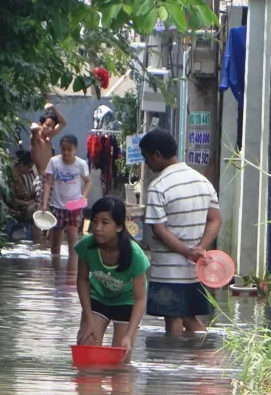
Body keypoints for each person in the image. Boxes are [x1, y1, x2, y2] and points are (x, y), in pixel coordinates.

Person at [139, 129, 222, 334]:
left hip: (168, 271)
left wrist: (188, 252)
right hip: (196, 270)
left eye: (146, 157)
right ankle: (208, 350)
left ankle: (174, 354)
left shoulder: (158, 186)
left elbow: (159, 230)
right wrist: (199, 249)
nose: (146, 163)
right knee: (189, 317)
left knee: (173, 319)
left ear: (157, 155)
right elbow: (215, 219)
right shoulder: (202, 181)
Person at [74, 197, 149, 360]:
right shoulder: (87, 245)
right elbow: (82, 280)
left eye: (105, 222)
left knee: (121, 357)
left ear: (119, 227)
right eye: (95, 221)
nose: (98, 228)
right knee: (87, 348)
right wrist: (88, 320)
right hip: (98, 297)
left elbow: (140, 298)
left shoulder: (135, 254)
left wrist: (129, 335)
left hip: (127, 302)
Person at [41, 134, 92, 257]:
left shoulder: (81, 164)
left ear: (76, 149)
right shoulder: (54, 162)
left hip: (74, 206)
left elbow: (88, 181)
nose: (66, 153)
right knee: (55, 240)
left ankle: (73, 265)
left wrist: (83, 196)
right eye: (63, 149)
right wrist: (44, 204)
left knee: (72, 237)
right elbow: (48, 183)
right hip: (57, 205)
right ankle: (55, 264)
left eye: (69, 150)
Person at [30, 102, 67, 177]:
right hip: (43, 178)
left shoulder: (48, 138)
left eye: (53, 127)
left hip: (52, 178)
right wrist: (33, 125)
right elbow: (34, 129)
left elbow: (63, 123)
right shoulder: (37, 140)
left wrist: (53, 108)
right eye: (48, 125)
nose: (50, 129)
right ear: (40, 124)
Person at [8, 150, 38, 224]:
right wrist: (26, 203)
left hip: (24, 207)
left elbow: (24, 195)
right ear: (21, 163)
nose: (29, 170)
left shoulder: (20, 176)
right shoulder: (11, 177)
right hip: (15, 210)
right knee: (38, 208)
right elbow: (10, 199)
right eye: (29, 167)